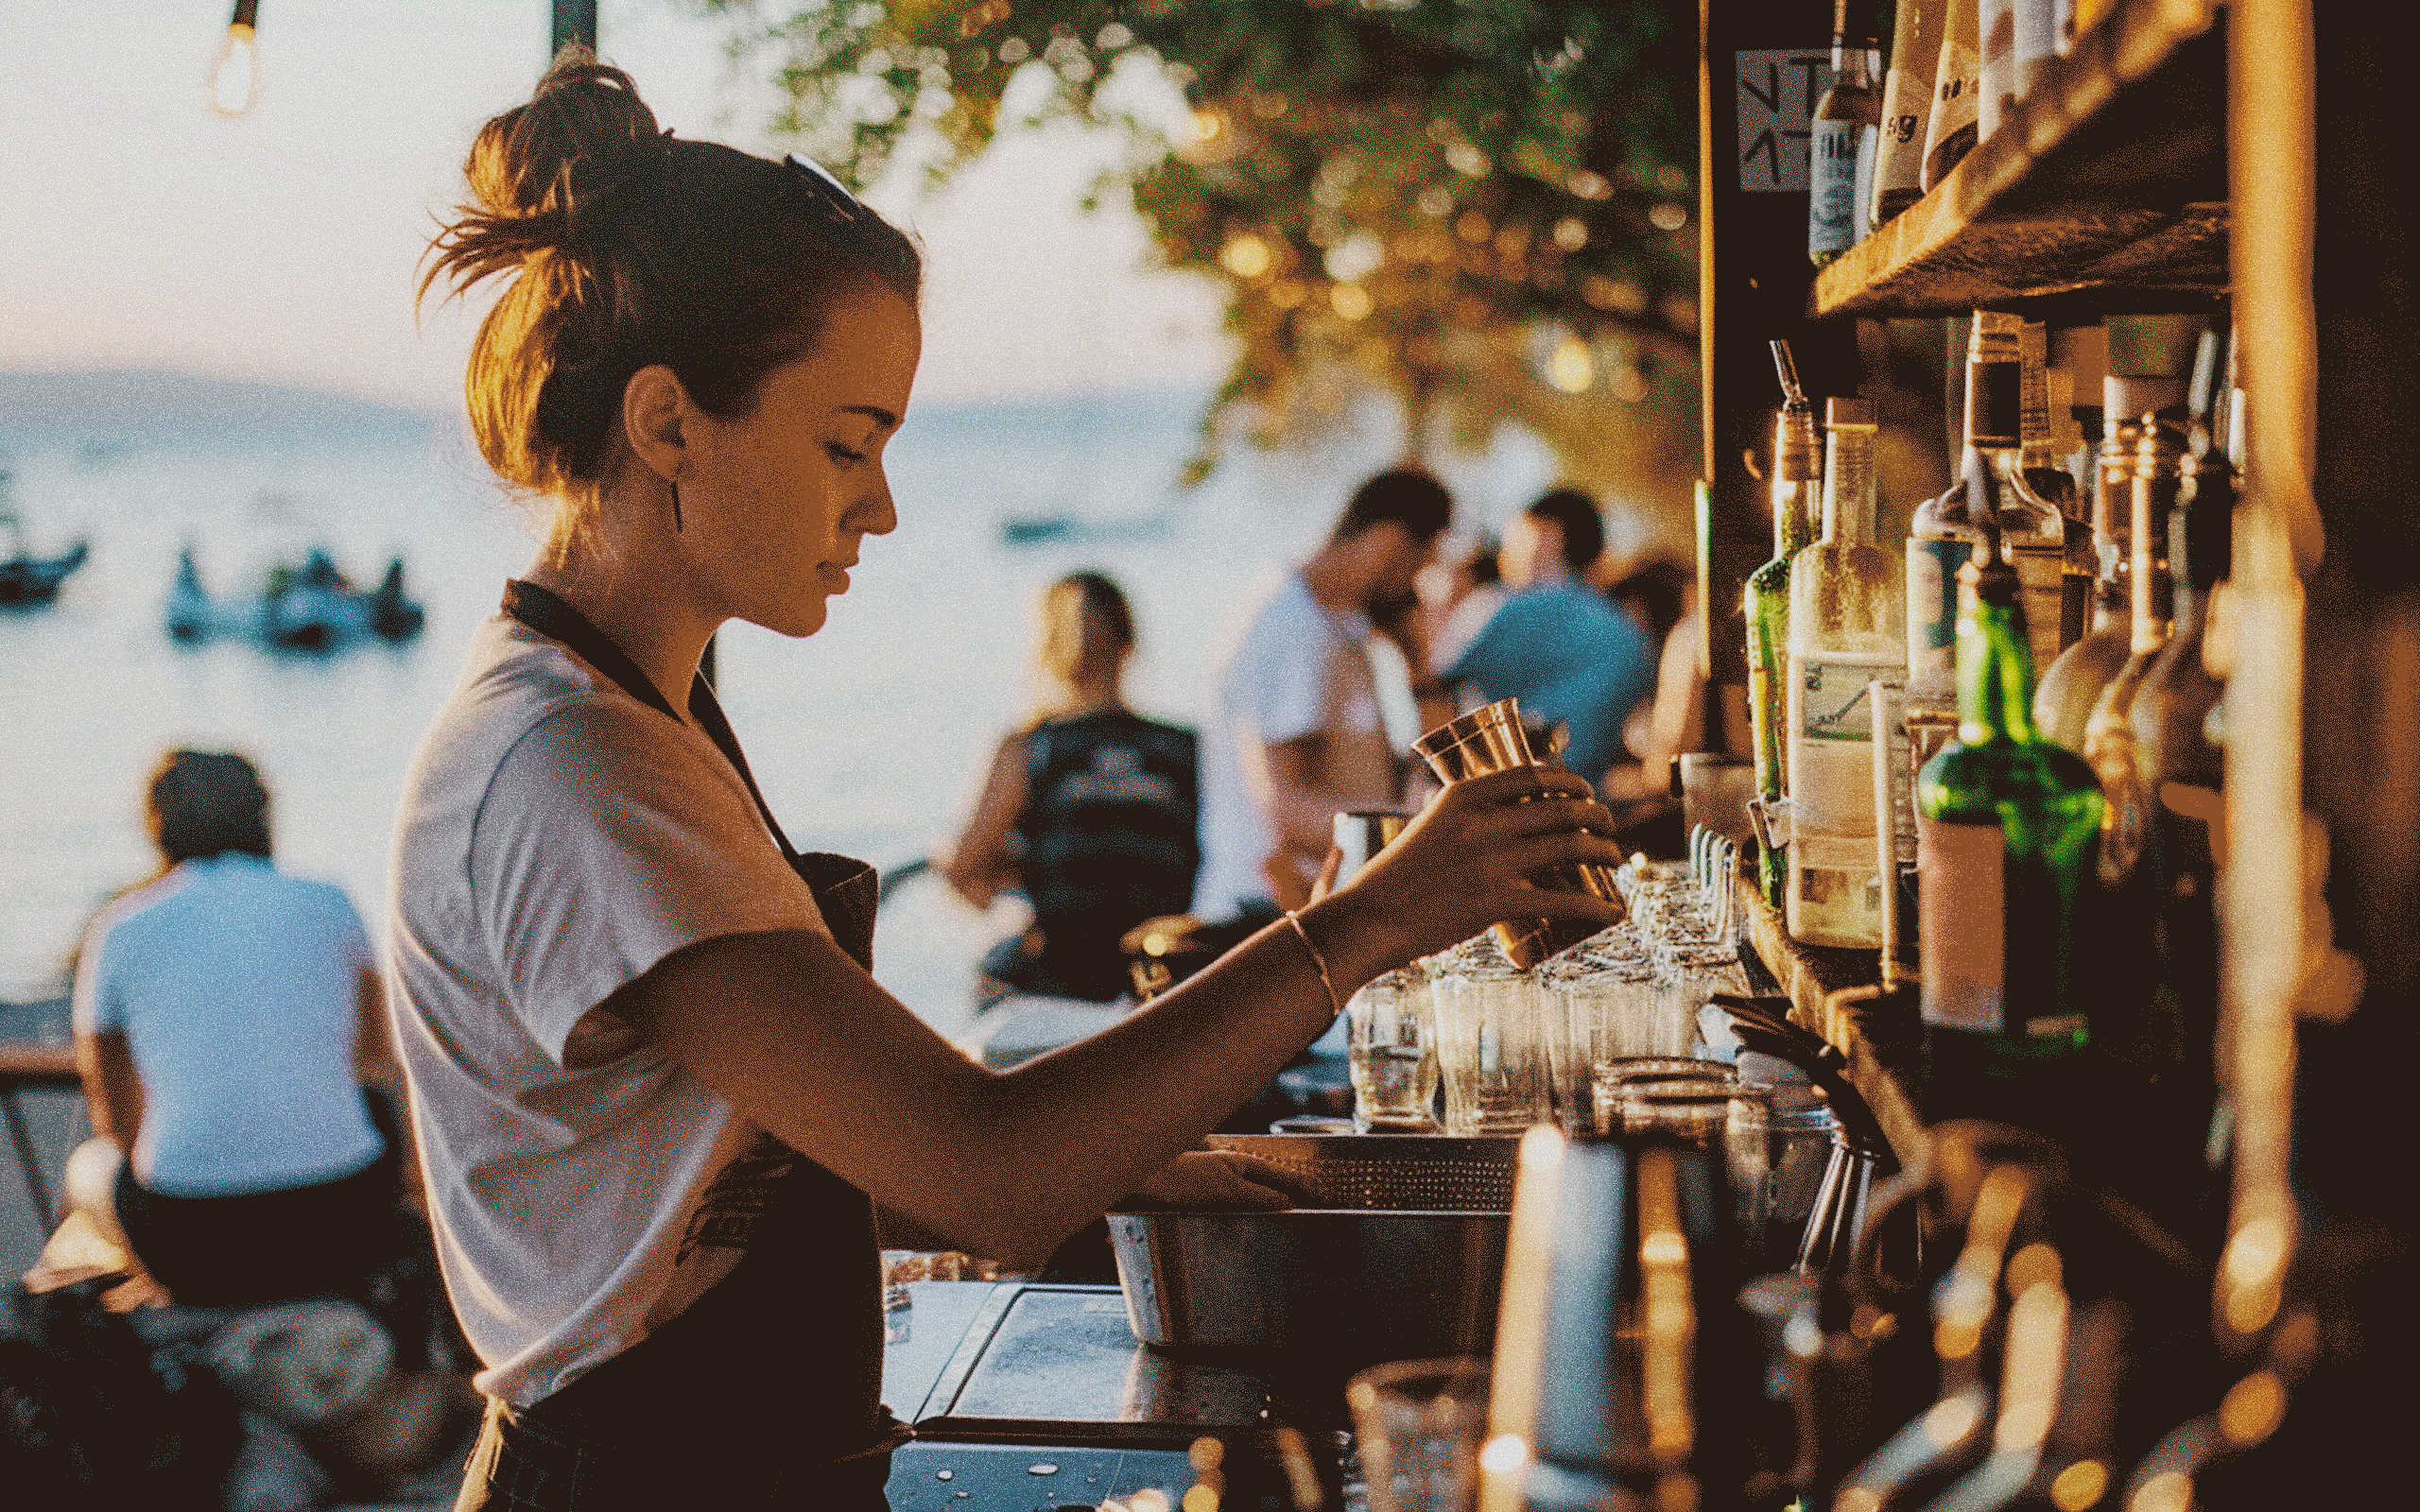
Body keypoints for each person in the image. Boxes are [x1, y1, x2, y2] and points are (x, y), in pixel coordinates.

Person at [393, 58, 1621, 1510]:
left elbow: (733, 1175)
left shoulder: (630, 716)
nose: (881, 506)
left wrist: (1123, 1156)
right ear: (667, 424)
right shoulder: (578, 766)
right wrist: (1375, 915)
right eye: (847, 444)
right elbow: (987, 1173)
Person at [64, 749, 407, 1308]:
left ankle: (109, 1315)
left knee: (88, 1166)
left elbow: (115, 1112)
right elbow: (373, 1057)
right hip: (345, 1223)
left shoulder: (121, 928)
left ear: (156, 826)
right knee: (376, 1111)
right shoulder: (330, 903)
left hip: (190, 1242)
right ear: (263, 815)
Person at [1194, 467, 1454, 921]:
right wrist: (1424, 835)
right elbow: (1287, 812)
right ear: (1388, 541)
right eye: (1415, 568)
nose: (1414, 588)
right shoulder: (1288, 626)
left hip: (1325, 903)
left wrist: (1417, 665)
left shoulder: (1344, 624)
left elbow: (1424, 766)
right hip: (1262, 916)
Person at [941, 572, 1199, 1004]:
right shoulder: (1186, 747)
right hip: (1166, 971)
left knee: (992, 969)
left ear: (1048, 652)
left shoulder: (1028, 749)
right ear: (1128, 645)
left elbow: (963, 870)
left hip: (1060, 975)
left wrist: (1019, 872)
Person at [1436, 488, 1655, 799]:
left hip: (1504, 806)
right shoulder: (1628, 633)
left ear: (1548, 536)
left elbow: (1433, 688)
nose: (1504, 554)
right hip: (1587, 807)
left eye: (1516, 536)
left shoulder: (1505, 610)